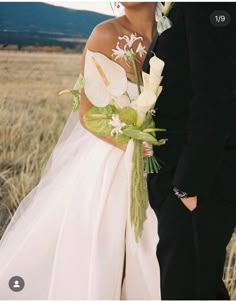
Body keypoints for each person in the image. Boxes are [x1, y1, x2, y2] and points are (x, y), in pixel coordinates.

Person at [0, 2, 162, 300]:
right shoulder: (105, 33)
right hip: (112, 163)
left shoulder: (175, 32)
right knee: (105, 252)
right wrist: (131, 145)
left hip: (165, 161)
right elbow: (87, 110)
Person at [143, 2, 236, 300]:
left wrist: (187, 185)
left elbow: (216, 93)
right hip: (180, 176)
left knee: (191, 288)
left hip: (197, 181)